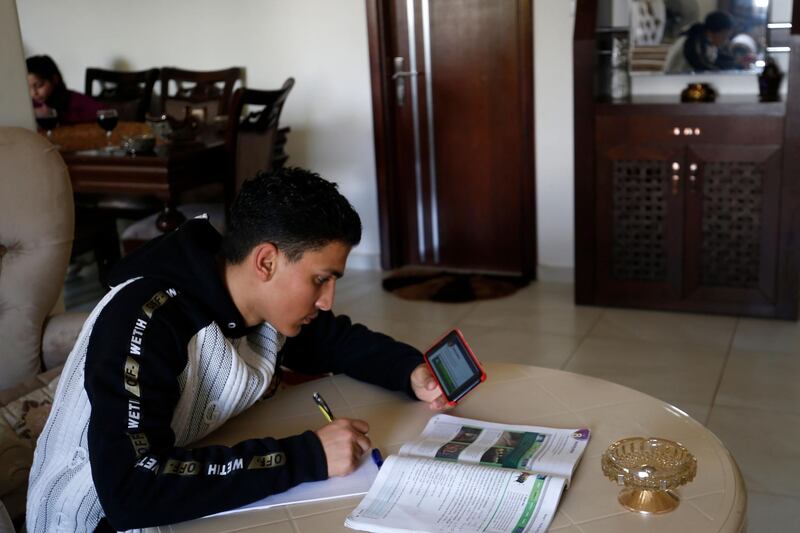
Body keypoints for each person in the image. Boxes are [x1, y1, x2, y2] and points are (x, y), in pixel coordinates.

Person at [26, 167, 447, 532]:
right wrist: (307, 455)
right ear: (265, 262)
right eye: (320, 279)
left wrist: (408, 370)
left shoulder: (256, 300)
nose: (327, 300)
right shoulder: (146, 318)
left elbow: (333, 340)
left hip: (176, 496)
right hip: (90, 518)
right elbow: (131, 490)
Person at [26, 54, 103, 124]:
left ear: (54, 79)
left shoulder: (75, 101)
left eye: (39, 85)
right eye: (28, 87)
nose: (33, 93)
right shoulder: (29, 105)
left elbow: (104, 112)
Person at [663, 11, 736, 73]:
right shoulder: (692, 40)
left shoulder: (707, 39)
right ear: (712, 33)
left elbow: (716, 58)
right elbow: (702, 64)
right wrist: (734, 66)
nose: (726, 41)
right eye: (725, 37)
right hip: (675, 79)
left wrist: (736, 62)